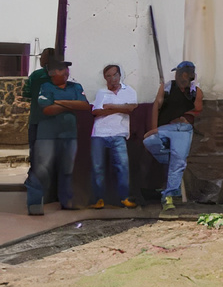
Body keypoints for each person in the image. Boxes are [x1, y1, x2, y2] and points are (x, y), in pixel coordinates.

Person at [28, 60, 90, 215]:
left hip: (70, 134)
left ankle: (67, 202)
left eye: (67, 69)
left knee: (68, 169)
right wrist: (72, 104)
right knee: (41, 169)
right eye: (62, 69)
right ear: (52, 73)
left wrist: (59, 102)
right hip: (46, 136)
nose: (67, 72)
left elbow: (84, 106)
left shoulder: (76, 86)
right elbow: (47, 109)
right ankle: (35, 204)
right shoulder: (45, 87)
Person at [143, 61, 203, 211]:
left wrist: (185, 115)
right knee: (149, 141)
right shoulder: (167, 87)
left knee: (179, 162)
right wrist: (154, 128)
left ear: (184, 74)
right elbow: (156, 106)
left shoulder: (195, 91)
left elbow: (198, 109)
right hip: (166, 128)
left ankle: (168, 197)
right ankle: (171, 161)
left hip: (183, 130)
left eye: (179, 72)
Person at [88, 64, 138, 209]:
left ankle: (124, 198)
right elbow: (96, 112)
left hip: (119, 134)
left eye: (115, 75)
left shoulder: (129, 91)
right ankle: (98, 199)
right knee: (97, 167)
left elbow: (131, 108)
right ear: (105, 78)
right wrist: (119, 108)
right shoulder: (101, 92)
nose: (112, 79)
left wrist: (110, 107)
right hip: (99, 133)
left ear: (120, 75)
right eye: (109, 76)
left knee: (122, 167)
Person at [23, 47, 57, 196]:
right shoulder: (61, 76)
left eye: (42, 56)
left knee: (35, 152)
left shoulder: (36, 76)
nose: (42, 59)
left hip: (37, 120)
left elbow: (26, 93)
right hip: (54, 122)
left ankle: (34, 183)